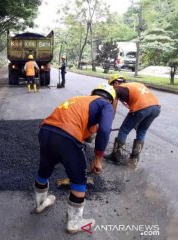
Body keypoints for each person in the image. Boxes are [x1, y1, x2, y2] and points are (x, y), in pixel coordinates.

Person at [33, 84, 116, 234]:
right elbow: (104, 130)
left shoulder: (78, 99)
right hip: (67, 137)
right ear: (111, 100)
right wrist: (98, 159)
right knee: (79, 180)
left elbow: (83, 128)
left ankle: (40, 203)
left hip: (45, 130)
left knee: (44, 168)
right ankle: (74, 223)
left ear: (93, 93)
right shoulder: (106, 105)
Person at [106, 74, 161, 167]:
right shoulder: (134, 84)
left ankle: (116, 156)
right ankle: (134, 159)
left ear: (115, 83)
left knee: (124, 130)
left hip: (141, 108)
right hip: (156, 108)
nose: (111, 90)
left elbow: (113, 110)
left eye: (111, 86)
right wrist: (136, 123)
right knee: (142, 132)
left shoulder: (116, 89)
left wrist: (107, 125)